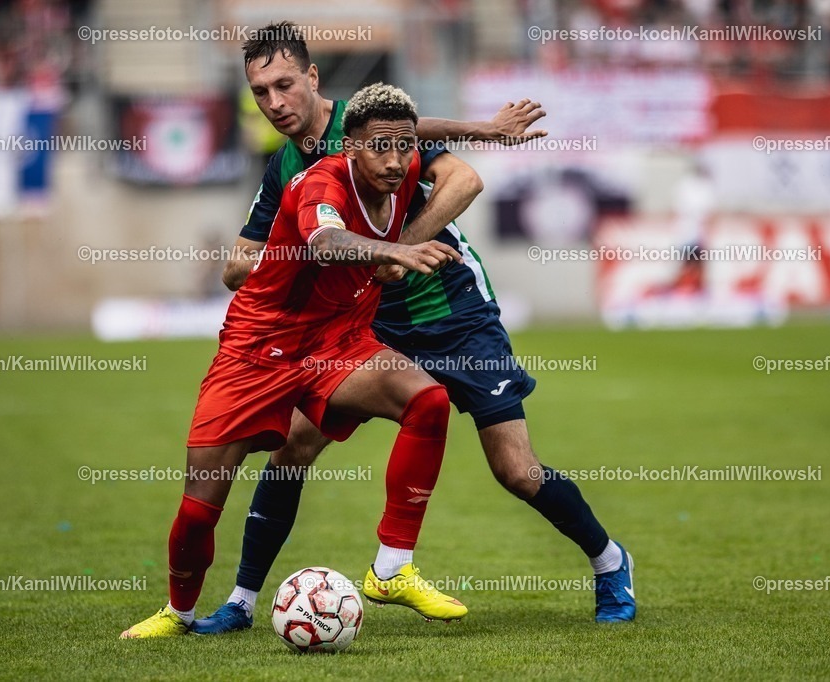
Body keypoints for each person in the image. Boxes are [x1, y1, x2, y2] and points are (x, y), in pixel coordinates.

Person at [193, 22, 635, 634]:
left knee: (515, 470)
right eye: (261, 92)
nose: (275, 103)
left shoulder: (371, 122)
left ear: (313, 78)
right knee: (292, 447)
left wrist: (393, 248)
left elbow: (463, 179)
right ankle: (241, 601)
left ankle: (610, 562)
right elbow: (238, 266)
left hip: (454, 314)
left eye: (285, 85)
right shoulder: (285, 167)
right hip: (368, 324)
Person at [120, 83, 473, 639]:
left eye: (404, 148)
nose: (395, 160)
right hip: (257, 350)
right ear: (349, 146)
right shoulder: (319, 182)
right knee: (200, 506)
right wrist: (398, 250)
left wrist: (484, 129)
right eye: (380, 146)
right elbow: (324, 242)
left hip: (337, 341)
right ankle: (179, 613)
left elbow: (438, 152)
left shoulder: (400, 171)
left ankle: (391, 569)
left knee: (427, 400)